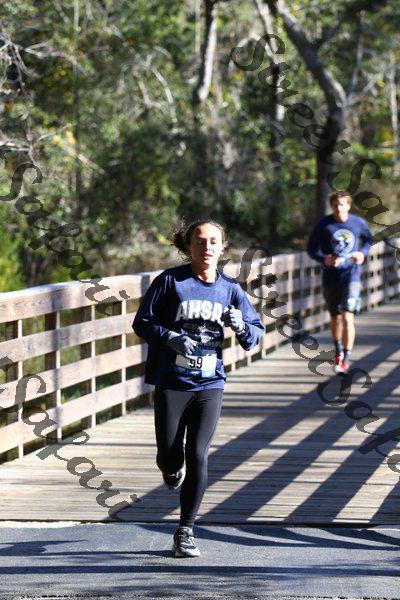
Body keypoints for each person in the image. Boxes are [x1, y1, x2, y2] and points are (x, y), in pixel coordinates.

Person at [132, 219, 264, 557]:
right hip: (172, 382)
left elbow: (255, 334)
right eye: (200, 241)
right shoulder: (170, 281)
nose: (207, 247)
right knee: (170, 454)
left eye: (213, 241)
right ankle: (170, 466)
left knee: (198, 454)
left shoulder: (230, 289)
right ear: (188, 246)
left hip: (210, 382)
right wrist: (170, 337)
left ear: (222, 247)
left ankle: (185, 531)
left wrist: (241, 326)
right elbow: (142, 322)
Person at [307, 190, 373, 374]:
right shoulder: (323, 224)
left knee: (347, 316)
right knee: (335, 318)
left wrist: (362, 253)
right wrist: (324, 259)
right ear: (331, 206)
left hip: (351, 276)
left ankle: (346, 358)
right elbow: (311, 248)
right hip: (331, 277)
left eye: (342, 204)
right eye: (335, 205)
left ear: (349, 206)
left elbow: (369, 240)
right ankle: (338, 352)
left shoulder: (358, 223)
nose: (338, 208)